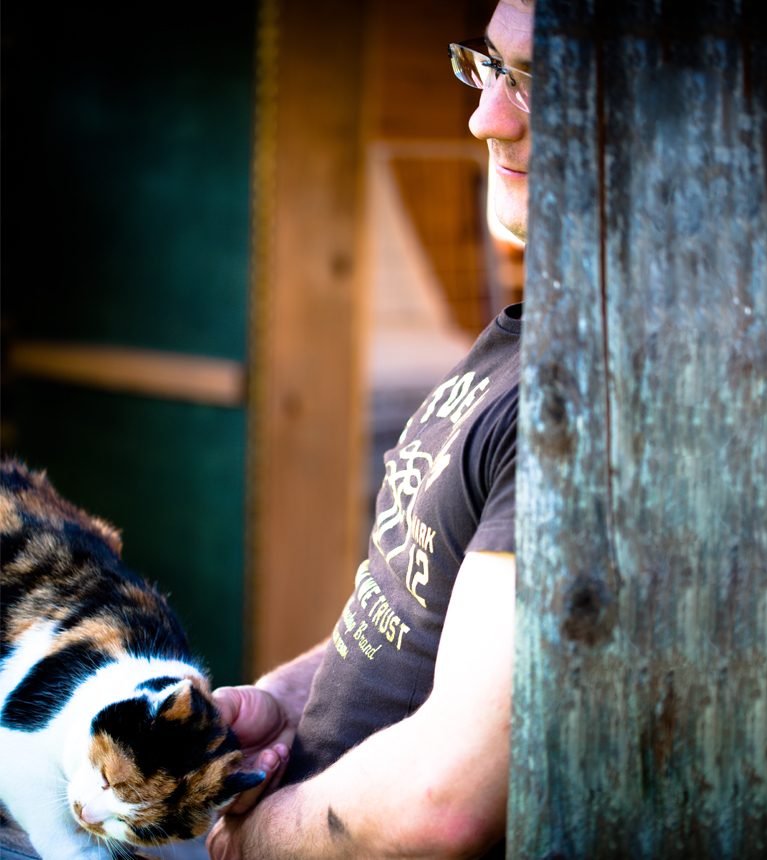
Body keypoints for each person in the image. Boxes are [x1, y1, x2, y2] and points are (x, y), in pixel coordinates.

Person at [207, 1, 534, 857]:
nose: (485, 116)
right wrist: (287, 698)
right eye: (493, 68)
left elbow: (443, 802)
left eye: (541, 83)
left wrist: (255, 842)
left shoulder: (583, 404)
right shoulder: (519, 341)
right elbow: (424, 624)